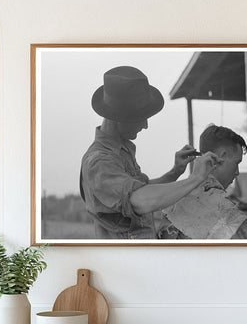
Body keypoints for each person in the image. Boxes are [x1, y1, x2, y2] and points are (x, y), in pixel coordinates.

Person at [80, 66, 221, 239]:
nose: (145, 125)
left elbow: (143, 190)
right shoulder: (99, 162)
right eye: (141, 117)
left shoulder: (121, 152)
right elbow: (140, 201)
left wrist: (174, 172)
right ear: (119, 117)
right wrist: (196, 178)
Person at [160, 124, 247, 239]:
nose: (237, 172)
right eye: (237, 163)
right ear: (222, 156)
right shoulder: (212, 199)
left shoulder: (182, 192)